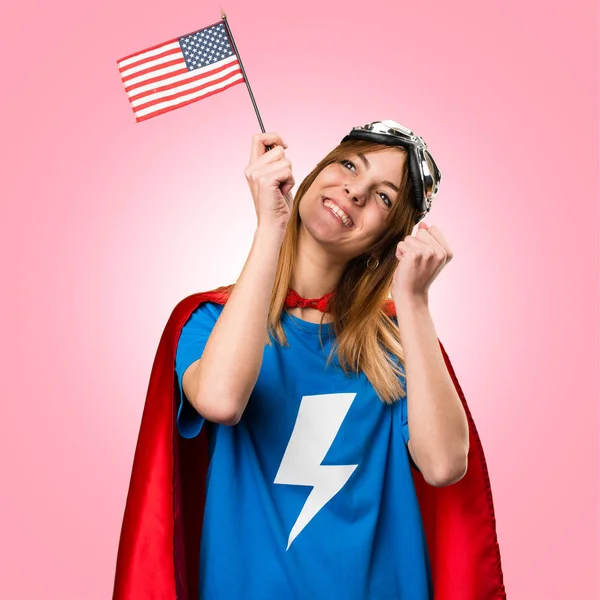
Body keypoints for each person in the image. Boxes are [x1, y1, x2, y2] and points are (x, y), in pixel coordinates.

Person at [112, 120, 506, 600]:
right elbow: (219, 400)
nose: (354, 192)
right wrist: (271, 227)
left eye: (383, 197)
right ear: (318, 171)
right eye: (348, 165)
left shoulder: (400, 346)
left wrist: (414, 302)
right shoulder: (209, 320)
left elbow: (444, 466)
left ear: (391, 239)